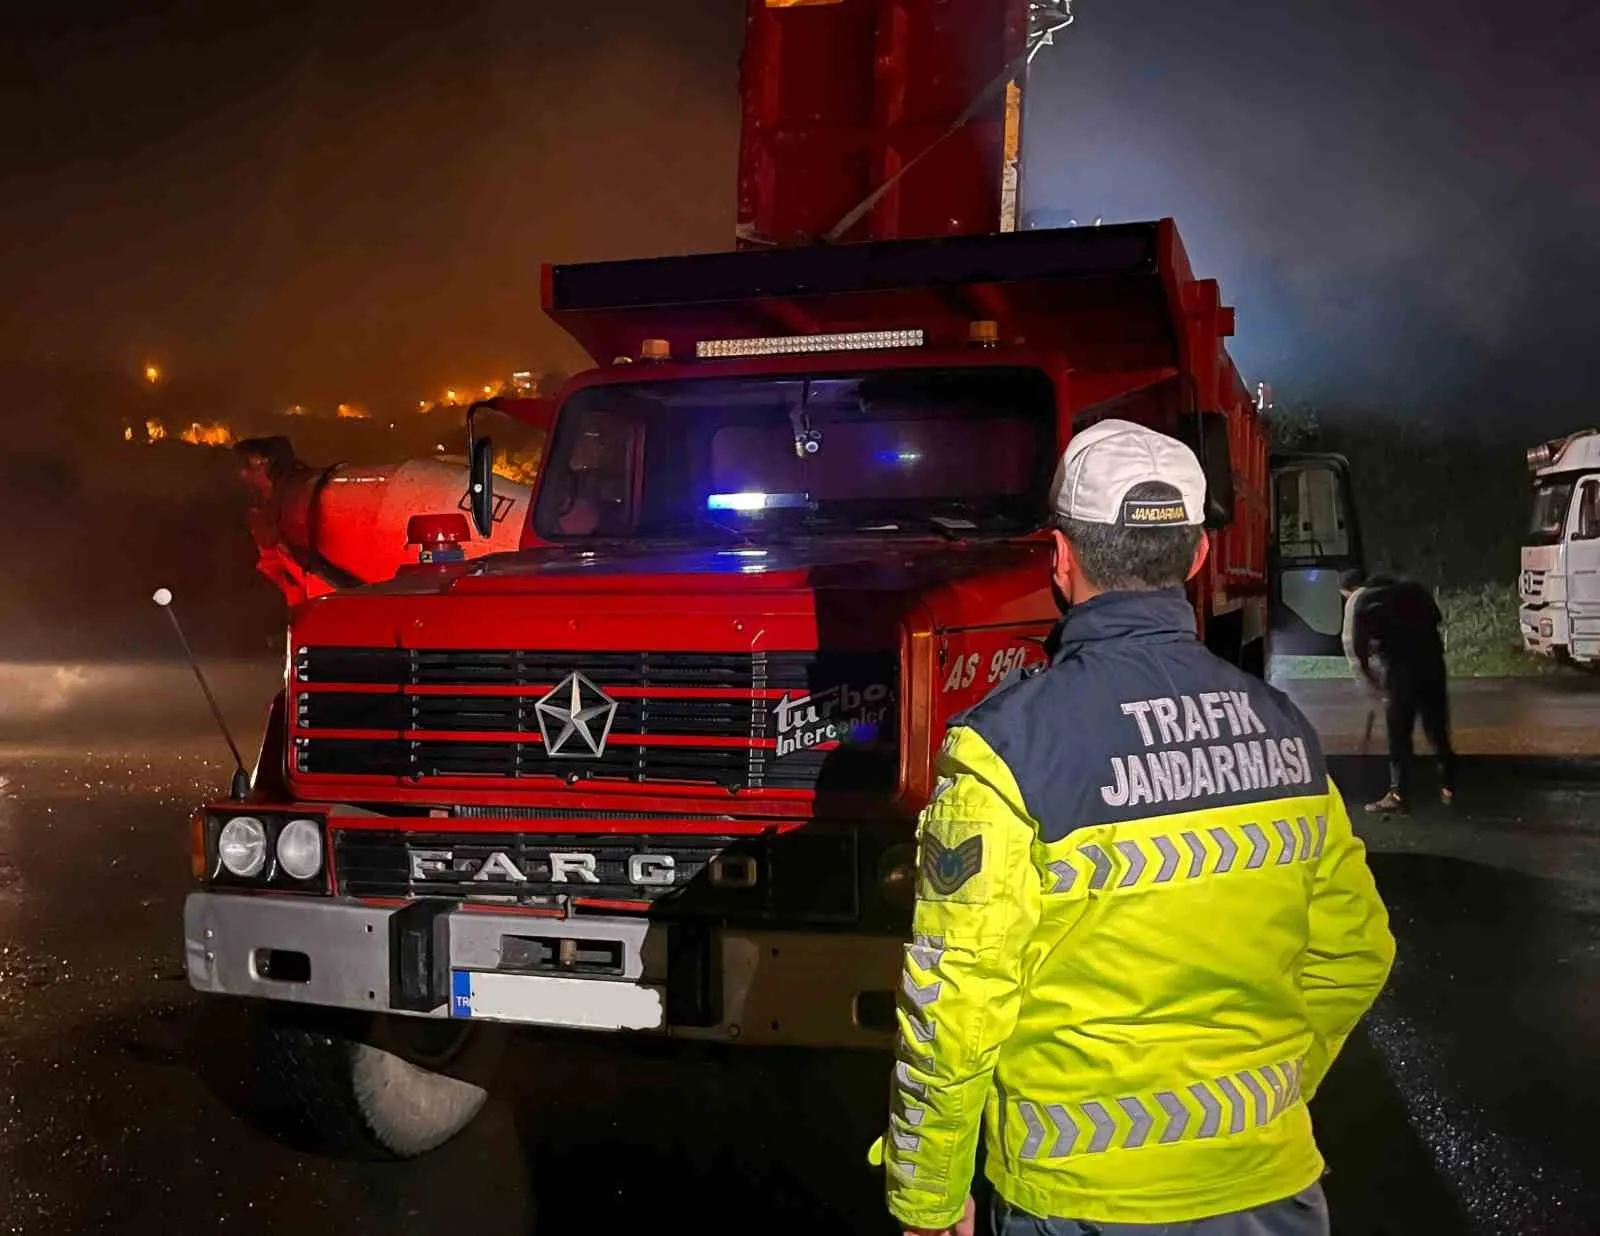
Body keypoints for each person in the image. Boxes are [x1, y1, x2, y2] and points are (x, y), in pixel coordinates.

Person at [870, 418, 1395, 1236]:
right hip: (1271, 1193)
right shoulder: (1283, 728)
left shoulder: (1005, 749)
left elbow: (955, 1008)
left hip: (1078, 1205)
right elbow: (1357, 950)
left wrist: (928, 1202)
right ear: (1196, 559)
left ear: (1060, 557)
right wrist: (1268, 1093)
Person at [1338, 569, 1456, 812]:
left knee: (1399, 736)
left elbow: (1357, 649)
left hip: (1399, 672)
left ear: (1350, 590)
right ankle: (1449, 785)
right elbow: (1437, 618)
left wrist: (1373, 684)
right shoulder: (1415, 588)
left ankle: (1398, 794)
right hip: (1433, 666)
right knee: (1437, 729)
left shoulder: (1360, 601)